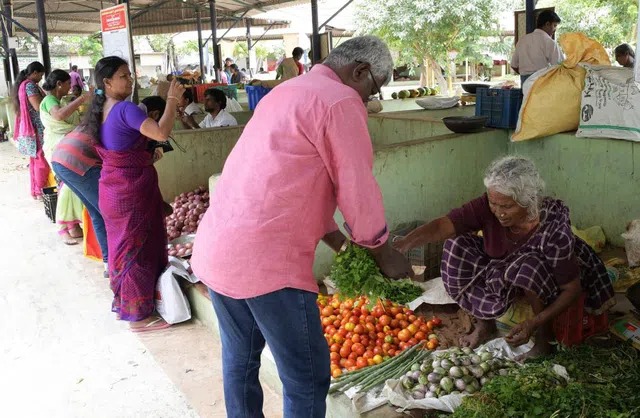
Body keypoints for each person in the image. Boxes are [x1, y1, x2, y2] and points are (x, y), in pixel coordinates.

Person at [190, 36, 413, 417]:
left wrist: (342, 245)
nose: (367, 99)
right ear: (360, 71)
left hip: (218, 249)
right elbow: (356, 186)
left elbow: (289, 184)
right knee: (306, 378)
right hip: (267, 266)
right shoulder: (340, 100)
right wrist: (382, 250)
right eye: (372, 89)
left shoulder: (290, 90)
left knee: (240, 362)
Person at [394, 156, 615, 359]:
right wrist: (404, 244)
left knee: (529, 266)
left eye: (507, 206)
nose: (498, 212)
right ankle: (484, 324)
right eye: (493, 203)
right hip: (505, 264)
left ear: (529, 201)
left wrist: (533, 323)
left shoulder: (553, 230)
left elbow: (571, 288)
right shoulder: (489, 207)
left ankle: (544, 341)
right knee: (458, 245)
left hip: (549, 275)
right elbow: (445, 225)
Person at [85, 56, 184, 332]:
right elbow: (162, 133)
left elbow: (123, 154)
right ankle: (138, 318)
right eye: (124, 76)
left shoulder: (102, 109)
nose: (130, 81)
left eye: (130, 75)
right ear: (107, 82)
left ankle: (130, 307)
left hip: (113, 190)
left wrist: (146, 158)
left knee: (124, 249)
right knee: (136, 252)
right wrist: (172, 101)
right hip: (130, 192)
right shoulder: (125, 110)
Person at [40, 69, 93, 245]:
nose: (70, 87)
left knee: (72, 187)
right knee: (67, 187)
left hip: (65, 146)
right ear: (59, 84)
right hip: (57, 148)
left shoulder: (58, 100)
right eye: (68, 84)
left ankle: (73, 226)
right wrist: (82, 99)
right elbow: (59, 116)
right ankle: (62, 228)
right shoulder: (49, 100)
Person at [12, 61, 48, 200]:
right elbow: (38, 106)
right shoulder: (31, 86)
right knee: (40, 159)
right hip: (36, 127)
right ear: (34, 73)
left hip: (31, 127)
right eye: (40, 74)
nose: (41, 78)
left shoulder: (23, 85)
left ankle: (35, 190)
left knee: (34, 159)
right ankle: (40, 190)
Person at [511, 10, 564, 85]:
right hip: (542, 83)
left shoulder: (522, 40)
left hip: (525, 83)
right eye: (554, 25)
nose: (555, 30)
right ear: (547, 24)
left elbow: (514, 65)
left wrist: (527, 75)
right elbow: (559, 67)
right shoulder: (549, 42)